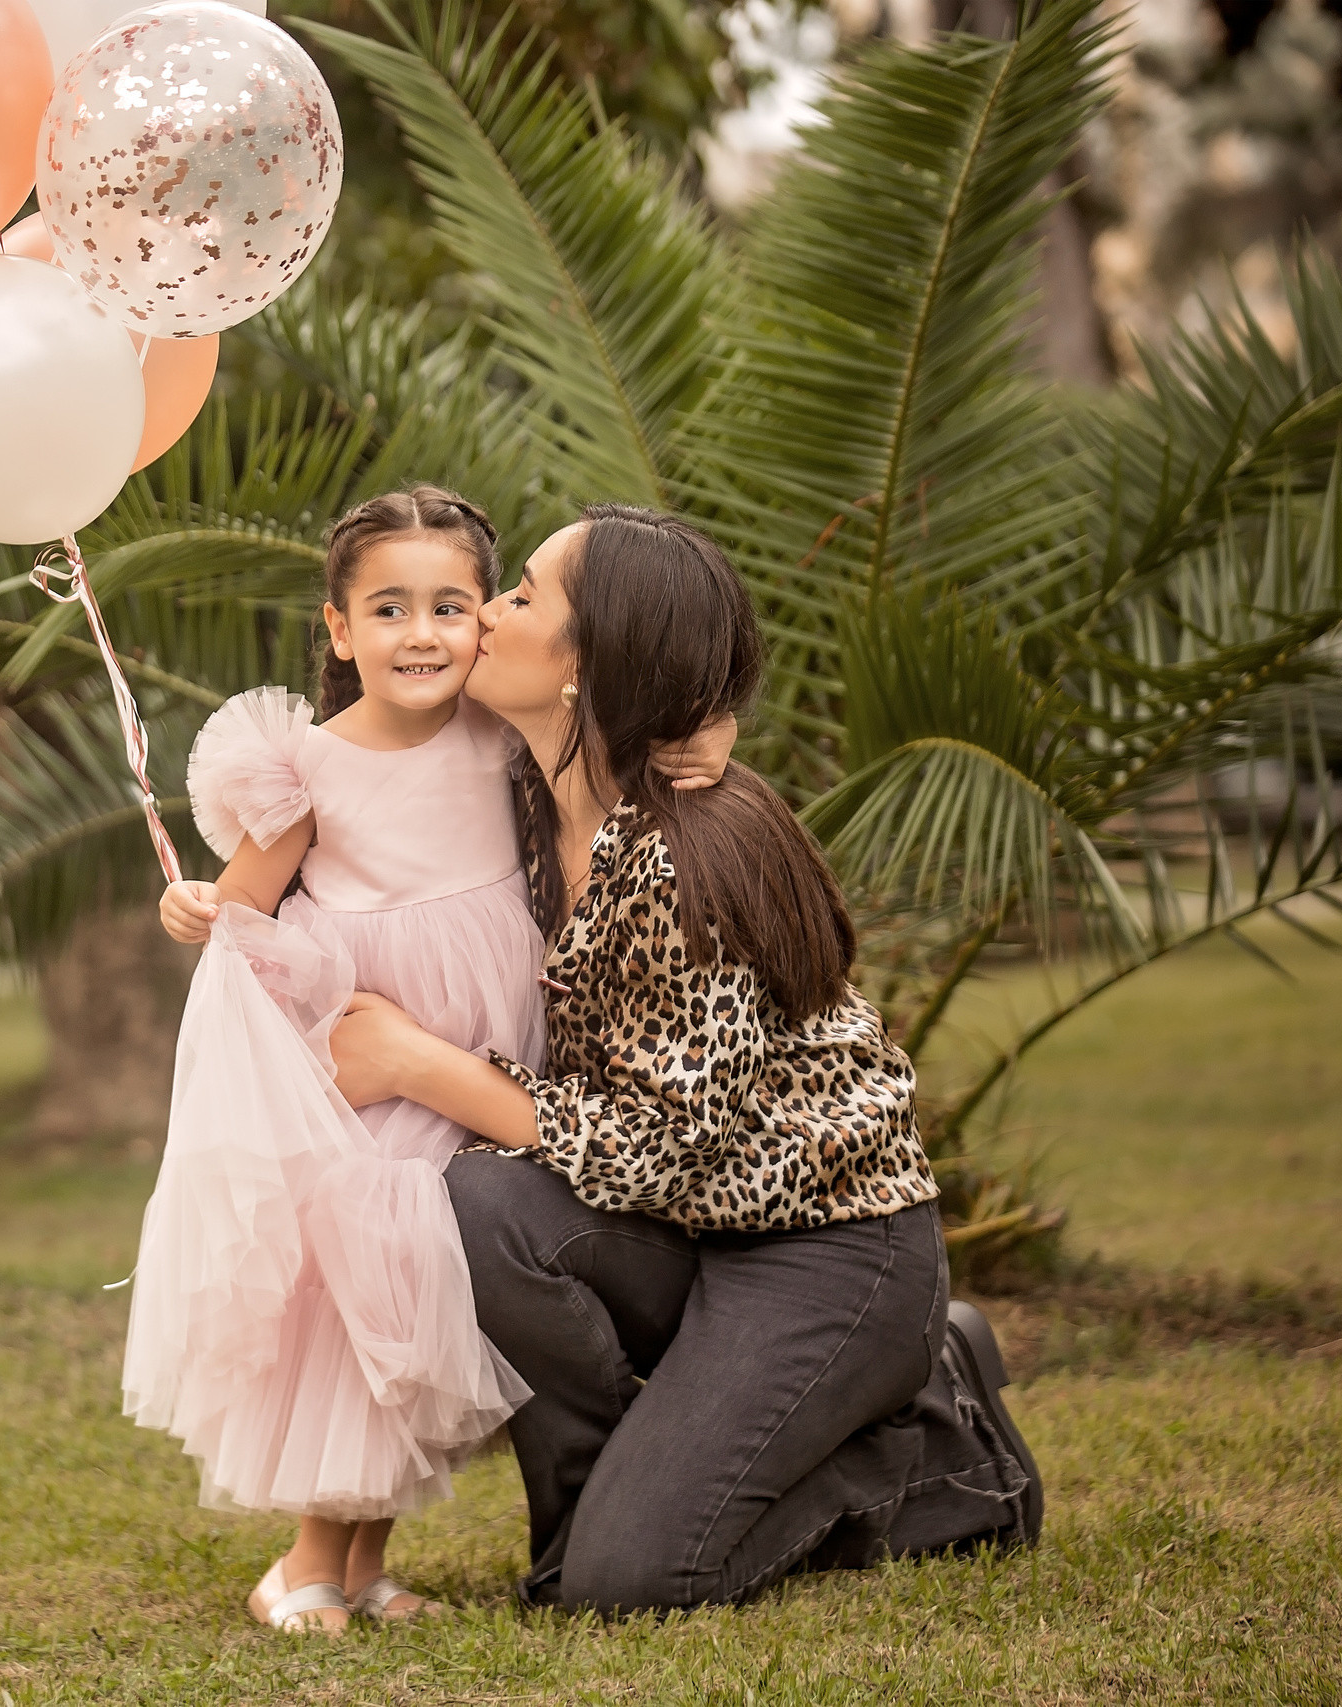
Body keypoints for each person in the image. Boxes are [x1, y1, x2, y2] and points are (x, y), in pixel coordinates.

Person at [328, 504, 1045, 1613]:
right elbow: (367, 709)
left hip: (827, 1248)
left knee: (634, 1585)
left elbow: (661, 1151)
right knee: (479, 1202)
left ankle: (940, 1453)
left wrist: (419, 1065)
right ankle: (600, 1522)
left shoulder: (681, 855)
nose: (482, 613)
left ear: (587, 664)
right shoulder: (523, 796)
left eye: (520, 595)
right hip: (687, 1233)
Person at [133, 488, 730, 1635]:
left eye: (452, 606)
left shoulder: (501, 735)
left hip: (483, 1043)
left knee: (427, 1296)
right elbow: (245, 916)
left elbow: (638, 726)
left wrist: (711, 740)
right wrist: (194, 900)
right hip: (369, 1044)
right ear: (340, 629)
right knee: (367, 1291)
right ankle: (304, 1563)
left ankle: (365, 1567)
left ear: (485, 626)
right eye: (389, 609)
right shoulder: (307, 766)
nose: (422, 634)